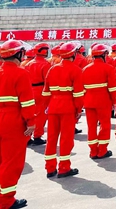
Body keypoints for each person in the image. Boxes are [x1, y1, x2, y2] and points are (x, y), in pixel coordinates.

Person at [0, 40, 36, 209]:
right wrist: (31, 122)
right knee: (11, 162)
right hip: (13, 120)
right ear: (18, 54)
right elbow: (27, 102)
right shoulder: (21, 74)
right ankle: (5, 200)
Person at [42, 41, 84, 178]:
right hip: (67, 107)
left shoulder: (52, 69)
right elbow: (78, 94)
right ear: (73, 54)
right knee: (66, 139)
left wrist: (47, 107)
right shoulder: (76, 70)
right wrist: (78, 110)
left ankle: (50, 168)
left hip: (53, 106)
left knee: (51, 138)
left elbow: (46, 92)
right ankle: (64, 167)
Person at [82, 43, 116, 160]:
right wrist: (114, 102)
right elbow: (112, 88)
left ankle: (93, 151)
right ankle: (102, 150)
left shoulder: (85, 69)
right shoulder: (108, 68)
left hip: (88, 102)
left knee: (91, 126)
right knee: (105, 125)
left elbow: (81, 88)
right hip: (103, 101)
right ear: (104, 55)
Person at [24, 42, 52, 146]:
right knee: (41, 115)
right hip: (41, 91)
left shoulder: (28, 64)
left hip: (30, 90)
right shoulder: (45, 64)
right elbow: (48, 80)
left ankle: (27, 137)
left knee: (30, 113)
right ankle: (37, 136)